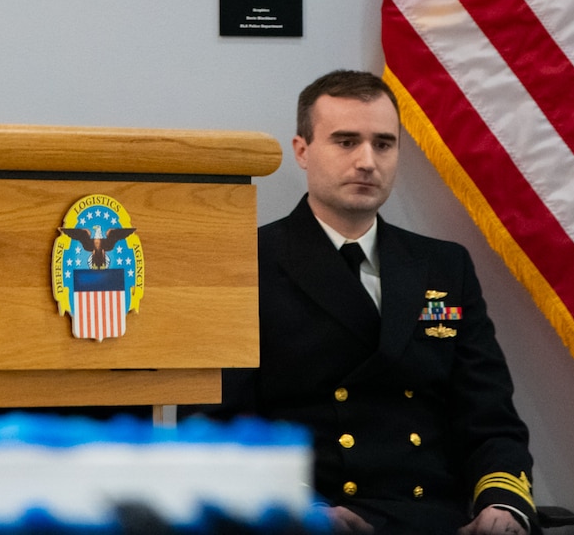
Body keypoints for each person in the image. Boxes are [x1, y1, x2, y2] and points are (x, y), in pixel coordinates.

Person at [225, 70, 537, 535]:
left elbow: (489, 418)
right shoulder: (246, 265)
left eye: (383, 144)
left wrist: (501, 506)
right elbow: (223, 432)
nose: (367, 161)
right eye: (346, 142)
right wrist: (301, 510)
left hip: (440, 519)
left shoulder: (444, 268)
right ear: (302, 151)